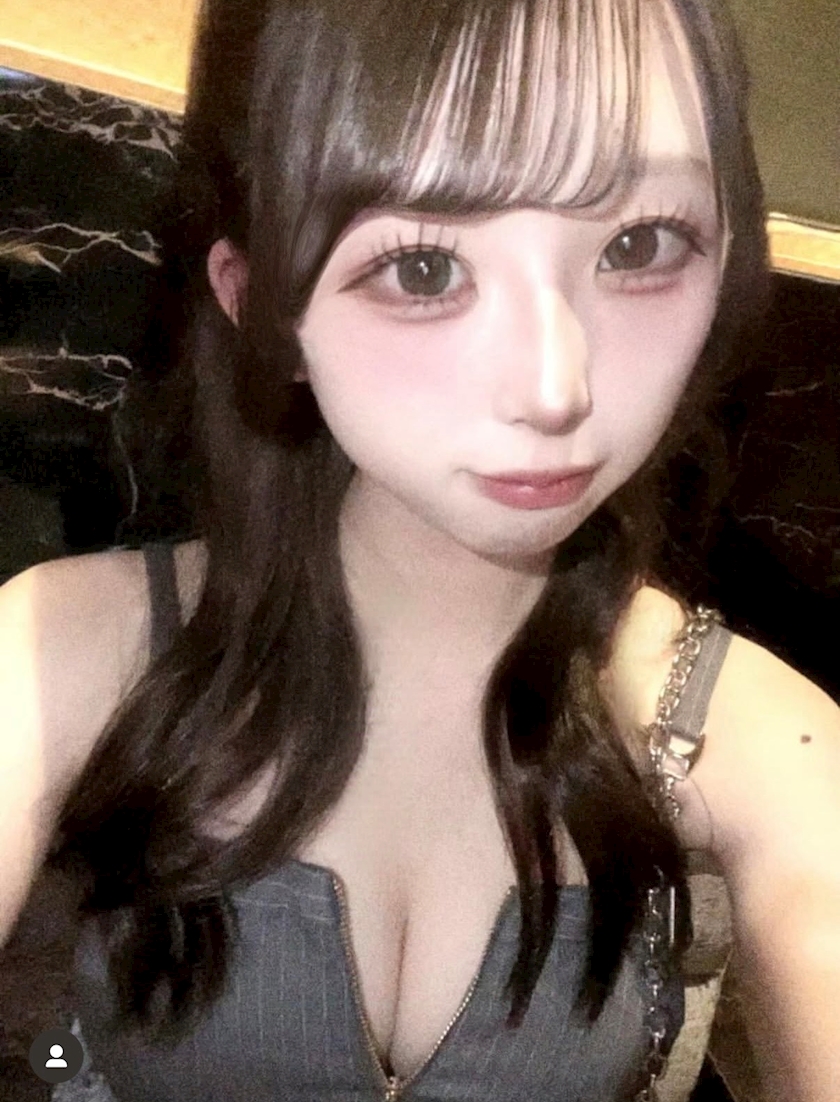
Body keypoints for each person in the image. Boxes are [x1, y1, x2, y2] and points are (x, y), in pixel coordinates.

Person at [0, 0, 838, 1099]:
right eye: (424, 270)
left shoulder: (769, 744)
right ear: (263, 305)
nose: (555, 389)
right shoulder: (63, 650)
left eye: (639, 245)